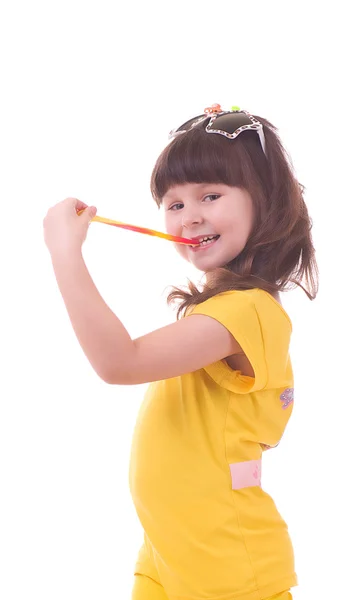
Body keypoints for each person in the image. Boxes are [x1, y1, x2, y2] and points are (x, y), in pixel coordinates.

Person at [43, 104, 319, 600]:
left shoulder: (247, 312)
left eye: (210, 195)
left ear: (267, 202)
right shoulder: (216, 312)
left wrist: (65, 252)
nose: (189, 216)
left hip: (225, 563)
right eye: (173, 204)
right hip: (169, 550)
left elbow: (119, 362)